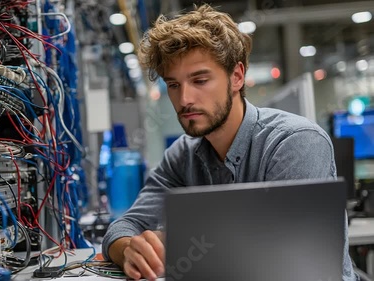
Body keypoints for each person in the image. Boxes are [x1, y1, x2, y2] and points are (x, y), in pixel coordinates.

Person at [101, 3, 358, 281]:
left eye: (200, 80)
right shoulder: (182, 155)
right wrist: (130, 249)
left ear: (236, 77)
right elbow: (124, 226)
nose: (185, 99)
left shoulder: (294, 143)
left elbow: (293, 266)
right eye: (173, 85)